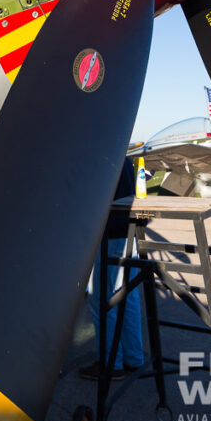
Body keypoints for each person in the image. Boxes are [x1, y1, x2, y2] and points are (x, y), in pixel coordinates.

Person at [79, 159, 145, 381]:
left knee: (102, 302)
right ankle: (133, 357)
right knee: (128, 298)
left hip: (110, 235)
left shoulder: (101, 154)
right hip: (127, 232)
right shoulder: (122, 155)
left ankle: (110, 364)